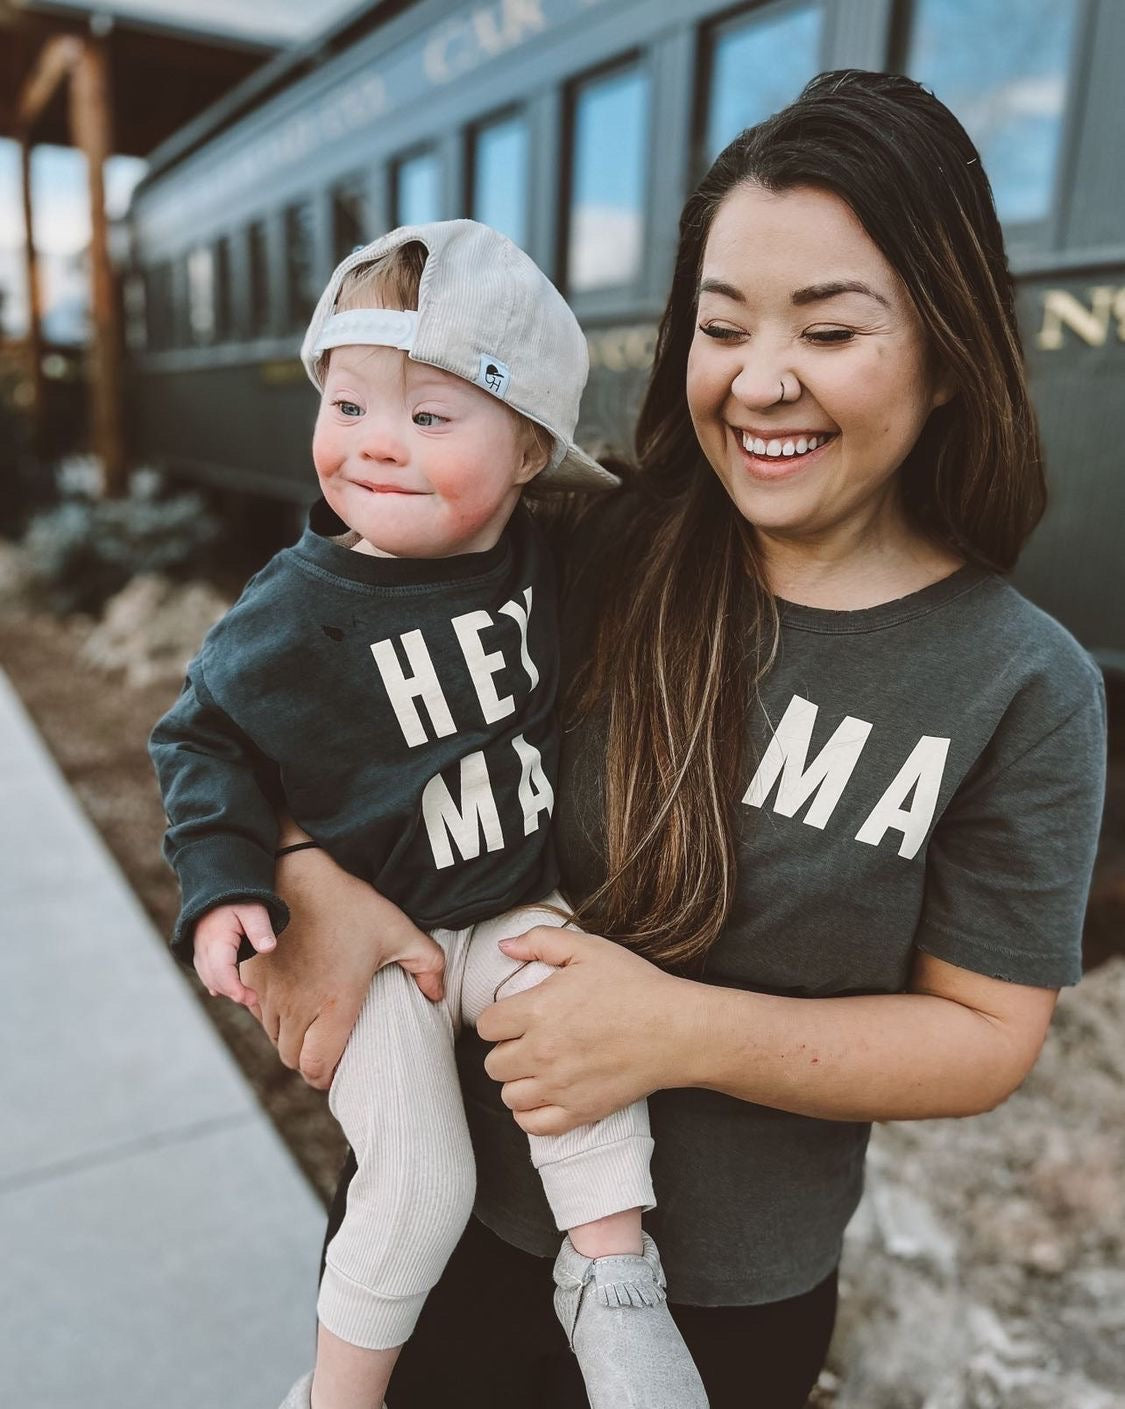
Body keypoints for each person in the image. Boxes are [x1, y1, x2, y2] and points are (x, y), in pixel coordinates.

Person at [240, 71, 1107, 1409]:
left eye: (829, 329)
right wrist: (308, 876)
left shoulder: (1017, 681)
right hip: (446, 1232)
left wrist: (678, 1032)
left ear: (948, 349)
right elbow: (283, 699)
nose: (760, 380)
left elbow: (982, 1033)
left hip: (721, 1297)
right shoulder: (583, 553)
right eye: (721, 326)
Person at [148, 221, 709, 1409]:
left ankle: (613, 1282)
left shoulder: (543, 555)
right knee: (418, 1183)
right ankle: (336, 1395)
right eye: (347, 405)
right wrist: (232, 884)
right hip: (379, 946)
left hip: (508, 908)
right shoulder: (298, 607)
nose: (375, 448)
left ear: (527, 453)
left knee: (584, 1031)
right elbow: (201, 737)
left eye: (430, 417)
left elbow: (653, 520)